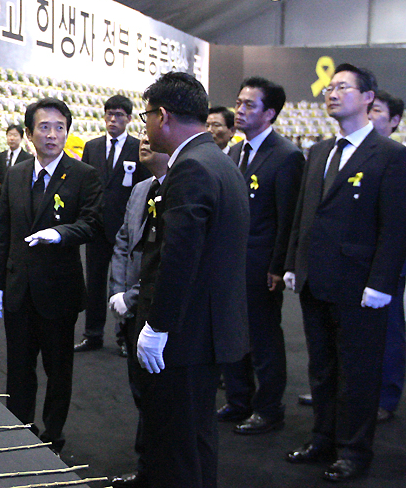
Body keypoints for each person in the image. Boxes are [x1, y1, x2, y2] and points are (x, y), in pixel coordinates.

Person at [283, 64, 406, 482]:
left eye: (343, 87)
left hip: (360, 284)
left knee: (357, 370)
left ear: (369, 97)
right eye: (330, 87)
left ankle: (354, 449)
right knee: (322, 366)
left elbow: (395, 227)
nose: (332, 93)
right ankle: (323, 436)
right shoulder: (319, 151)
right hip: (317, 278)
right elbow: (304, 214)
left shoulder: (390, 155)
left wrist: (382, 284)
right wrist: (292, 263)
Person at [134, 72, 250, 488]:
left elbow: (179, 260)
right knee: (196, 438)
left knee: (175, 444)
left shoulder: (190, 169)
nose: (144, 126)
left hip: (186, 334)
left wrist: (157, 327)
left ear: (162, 116)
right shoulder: (219, 160)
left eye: (146, 116)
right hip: (208, 328)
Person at [0, 97, 103, 453]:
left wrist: (61, 233)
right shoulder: (16, 173)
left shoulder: (83, 175)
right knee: (18, 368)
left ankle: (54, 434)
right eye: (44, 127)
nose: (53, 135)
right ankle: (20, 429)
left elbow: (93, 223)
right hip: (19, 288)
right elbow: (2, 231)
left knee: (58, 369)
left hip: (59, 290)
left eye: (60, 127)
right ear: (28, 133)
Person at [217, 77, 304, 435]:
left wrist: (278, 265)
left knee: (264, 338)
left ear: (269, 113)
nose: (240, 110)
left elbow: (288, 218)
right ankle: (239, 400)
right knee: (231, 331)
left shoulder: (286, 156)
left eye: (249, 105)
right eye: (238, 103)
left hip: (260, 264)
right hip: (229, 261)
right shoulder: (235, 151)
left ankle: (268, 409)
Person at [108, 134, 169, 487]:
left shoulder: (176, 187)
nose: (144, 142)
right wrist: (118, 292)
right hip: (131, 306)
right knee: (139, 390)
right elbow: (122, 242)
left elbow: (163, 259)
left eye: (152, 136)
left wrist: (130, 296)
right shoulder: (140, 188)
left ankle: (158, 468)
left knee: (158, 395)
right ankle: (147, 466)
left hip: (154, 306)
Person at [76, 95, 150, 355]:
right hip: (96, 227)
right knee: (94, 284)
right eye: (109, 114)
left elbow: (144, 187)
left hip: (125, 229)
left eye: (119, 115)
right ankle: (92, 334)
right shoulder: (92, 147)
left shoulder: (138, 147)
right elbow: (85, 187)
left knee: (124, 284)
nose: (112, 119)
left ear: (129, 119)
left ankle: (123, 337)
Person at [368, 90, 405, 424]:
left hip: (389, 259)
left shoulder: (396, 157)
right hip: (353, 258)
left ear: (394, 121)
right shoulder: (348, 154)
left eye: (377, 110)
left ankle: (385, 396)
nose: (369, 114)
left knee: (389, 327)